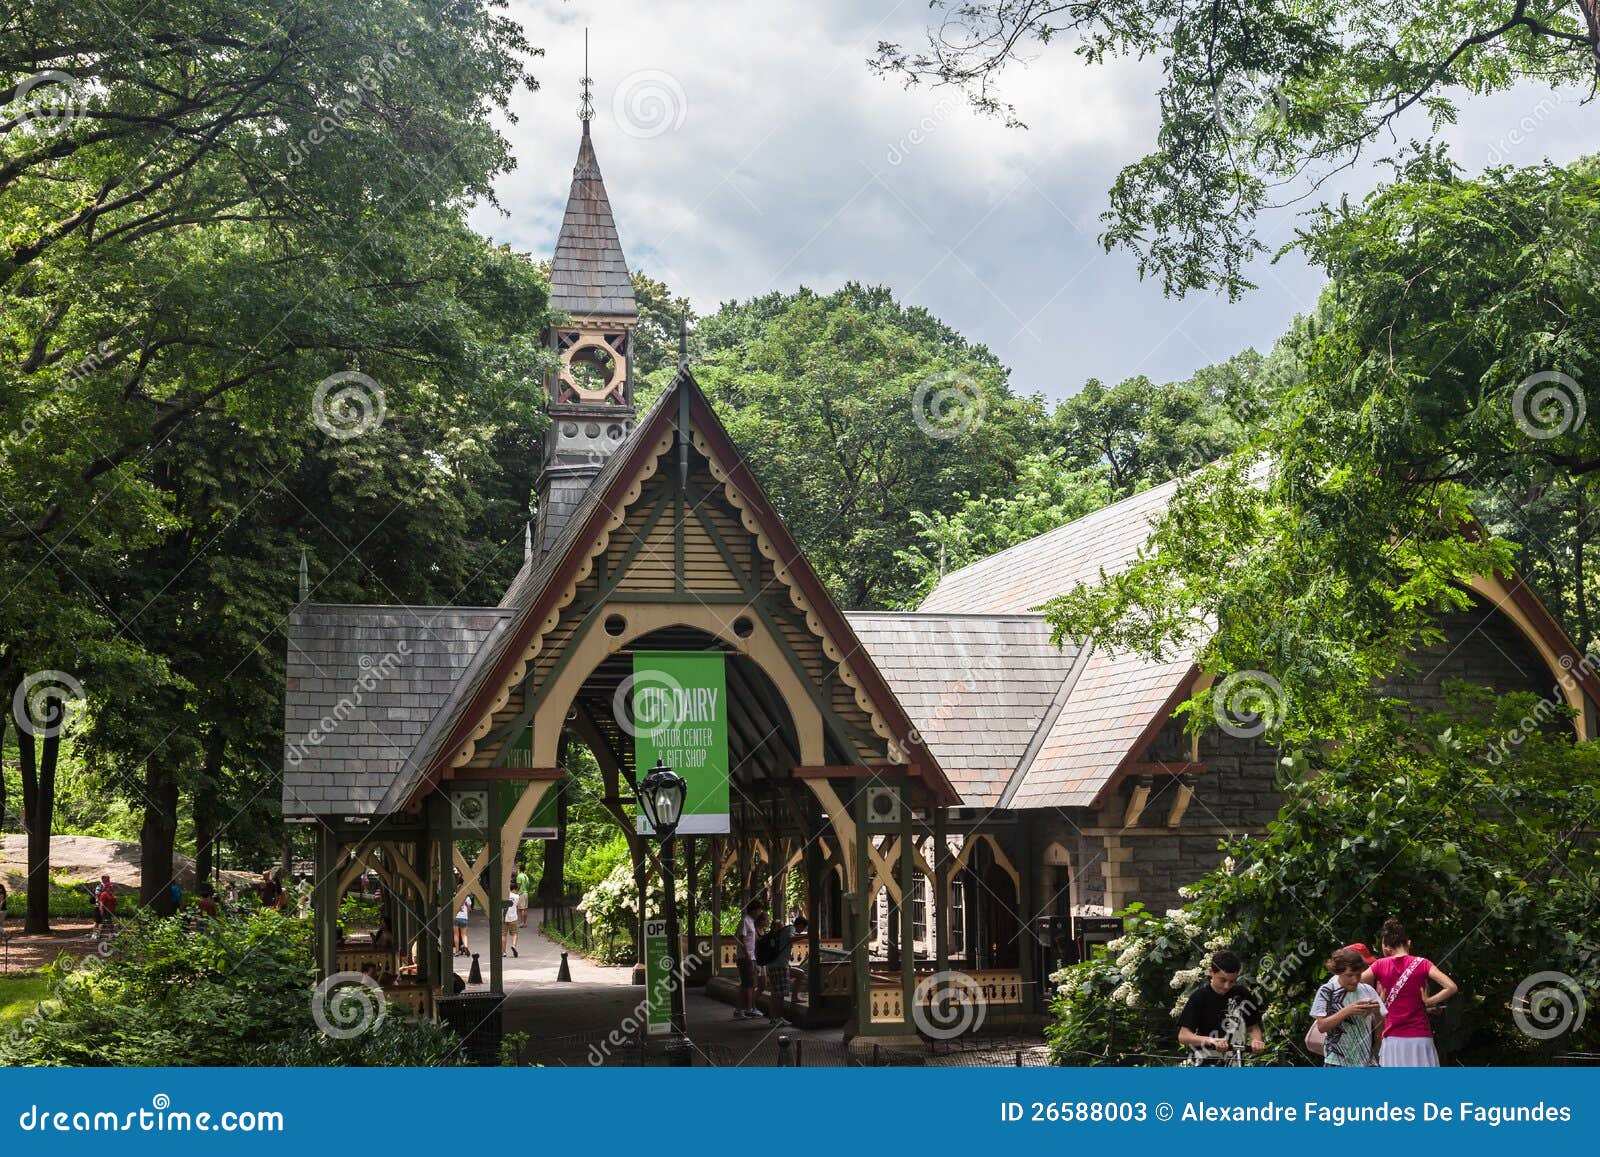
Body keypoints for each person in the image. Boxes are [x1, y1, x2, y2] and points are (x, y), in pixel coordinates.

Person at [1362, 917, 1458, 1067]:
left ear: (1386, 947)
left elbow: (1355, 982)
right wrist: (1429, 1001)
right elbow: (1451, 987)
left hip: (1392, 1039)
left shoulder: (1379, 965)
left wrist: (1376, 999)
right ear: (1409, 943)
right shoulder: (1423, 963)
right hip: (1420, 1038)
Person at [1177, 949, 1266, 1065]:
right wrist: (1211, 1040)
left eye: (1232, 981)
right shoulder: (1199, 997)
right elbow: (1183, 1036)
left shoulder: (1242, 994)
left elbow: (1253, 1027)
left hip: (1236, 1061)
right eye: (1222, 980)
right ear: (1211, 972)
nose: (1226, 986)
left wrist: (1257, 1040)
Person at [1311, 945, 1383, 1066]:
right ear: (1338, 972)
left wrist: (1377, 1012)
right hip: (1336, 1061)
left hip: (1366, 1062)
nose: (1355, 980)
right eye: (1350, 975)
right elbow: (1322, 1026)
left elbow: (1380, 1030)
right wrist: (1348, 1011)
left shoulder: (1368, 990)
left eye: (1359, 974)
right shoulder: (1327, 991)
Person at [760, 913, 805, 1027]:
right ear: (801, 926)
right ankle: (778, 1018)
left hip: (774, 965)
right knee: (779, 994)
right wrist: (807, 936)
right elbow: (791, 938)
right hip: (780, 965)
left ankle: (774, 1018)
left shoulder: (781, 932)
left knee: (775, 992)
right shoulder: (791, 928)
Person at [732, 898, 765, 1020]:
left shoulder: (751, 922)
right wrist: (746, 954)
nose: (760, 913)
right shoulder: (745, 921)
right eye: (759, 910)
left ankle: (739, 1009)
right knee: (750, 984)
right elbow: (740, 937)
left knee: (746, 984)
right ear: (754, 910)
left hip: (751, 956)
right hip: (746, 957)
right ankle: (749, 1009)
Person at [91, 874, 118, 940]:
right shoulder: (100, 886)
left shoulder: (109, 887)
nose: (109, 879)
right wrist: (101, 906)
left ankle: (111, 933)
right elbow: (97, 895)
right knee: (98, 921)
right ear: (103, 879)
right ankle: (95, 934)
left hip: (107, 908)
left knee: (108, 921)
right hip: (99, 906)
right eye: (107, 878)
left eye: (109, 878)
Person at [503, 887, 521, 957]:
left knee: (503, 935)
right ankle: (513, 945)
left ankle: (504, 952)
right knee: (514, 933)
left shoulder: (504, 896)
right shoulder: (516, 896)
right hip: (513, 917)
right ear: (514, 889)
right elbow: (516, 905)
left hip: (504, 917)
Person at [515, 863, 532, 928]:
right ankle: (525, 923)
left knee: (521, 909)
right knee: (525, 909)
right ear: (524, 869)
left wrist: (516, 892)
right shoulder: (526, 876)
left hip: (521, 893)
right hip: (526, 893)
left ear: (519, 868)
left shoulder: (519, 876)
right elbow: (528, 885)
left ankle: (522, 923)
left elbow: (518, 886)